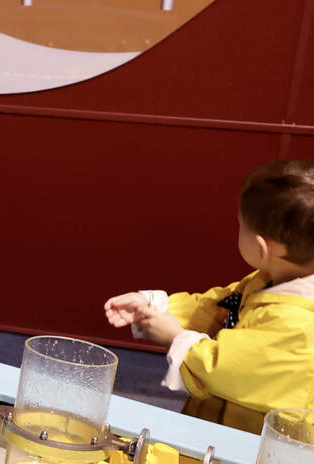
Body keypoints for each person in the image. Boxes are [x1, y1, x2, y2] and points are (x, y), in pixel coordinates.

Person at [102, 159, 314, 432]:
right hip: (221, 427)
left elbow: (225, 368)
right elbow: (217, 308)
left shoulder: (298, 327)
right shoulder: (267, 280)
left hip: (256, 446)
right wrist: (154, 306)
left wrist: (175, 338)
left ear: (262, 247)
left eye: (241, 225)